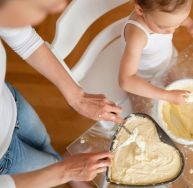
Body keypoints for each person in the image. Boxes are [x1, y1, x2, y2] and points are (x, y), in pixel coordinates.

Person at [0, 0, 122, 187]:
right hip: (5, 164)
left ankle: (60, 161)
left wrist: (77, 97)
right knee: (50, 164)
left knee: (44, 141)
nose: (59, 7)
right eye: (40, 5)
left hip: (10, 102)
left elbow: (25, 40)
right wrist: (64, 172)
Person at [119, 0, 193, 113]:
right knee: (144, 112)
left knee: (182, 90)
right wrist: (167, 96)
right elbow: (126, 80)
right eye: (164, 27)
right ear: (140, 10)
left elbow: (175, 19)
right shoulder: (137, 35)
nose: (172, 30)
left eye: (178, 23)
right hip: (141, 77)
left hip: (167, 61)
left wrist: (191, 24)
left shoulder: (164, 16)